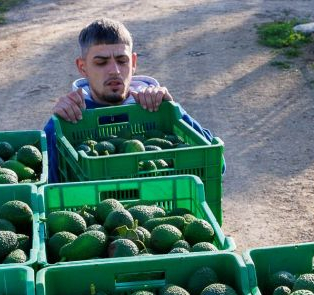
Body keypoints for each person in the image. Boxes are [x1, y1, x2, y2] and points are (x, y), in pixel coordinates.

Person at [44, 18, 216, 183]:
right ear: (83, 67)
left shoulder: (156, 107)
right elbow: (49, 187)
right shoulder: (71, 115)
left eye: (122, 61)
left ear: (133, 63)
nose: (114, 71)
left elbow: (216, 165)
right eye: (101, 63)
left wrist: (174, 111)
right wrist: (56, 126)